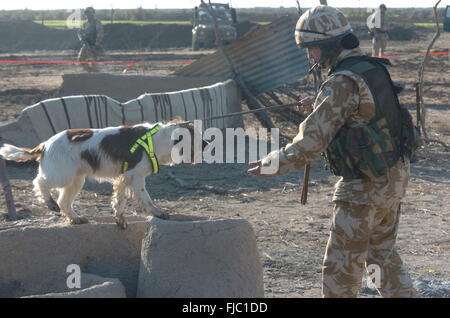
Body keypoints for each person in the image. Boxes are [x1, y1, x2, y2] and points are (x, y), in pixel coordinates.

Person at [247, 5, 421, 298]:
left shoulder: (341, 82)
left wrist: (269, 164)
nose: (310, 56)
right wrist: (320, 101)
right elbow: (365, 110)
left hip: (363, 190)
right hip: (392, 180)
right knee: (382, 258)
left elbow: (309, 144)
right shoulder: (369, 68)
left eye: (312, 49)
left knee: (341, 269)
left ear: (327, 46)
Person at [77, 7, 104, 72]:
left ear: (93, 13)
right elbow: (80, 32)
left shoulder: (96, 22)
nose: (87, 14)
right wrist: (82, 40)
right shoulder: (85, 23)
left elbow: (100, 33)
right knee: (81, 59)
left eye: (89, 13)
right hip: (86, 44)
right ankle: (90, 72)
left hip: (94, 45)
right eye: (86, 13)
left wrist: (96, 44)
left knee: (94, 61)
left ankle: (96, 75)